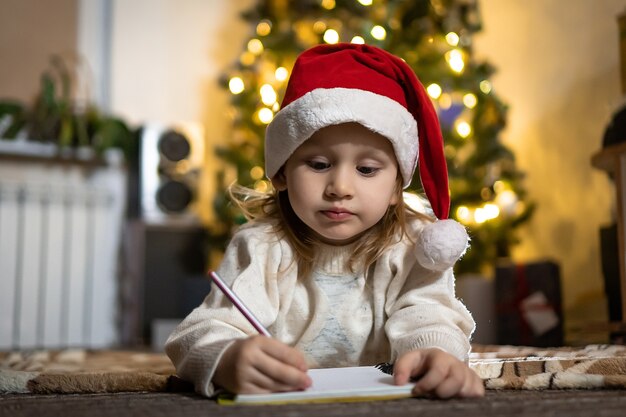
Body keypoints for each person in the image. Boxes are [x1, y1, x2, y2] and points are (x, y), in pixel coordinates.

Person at [165, 43, 484, 399]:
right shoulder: (260, 246)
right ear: (281, 173)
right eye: (318, 165)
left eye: (366, 169)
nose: (340, 188)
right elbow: (202, 331)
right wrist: (225, 358)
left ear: (397, 187)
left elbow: (429, 314)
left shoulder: (413, 245)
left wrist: (436, 354)